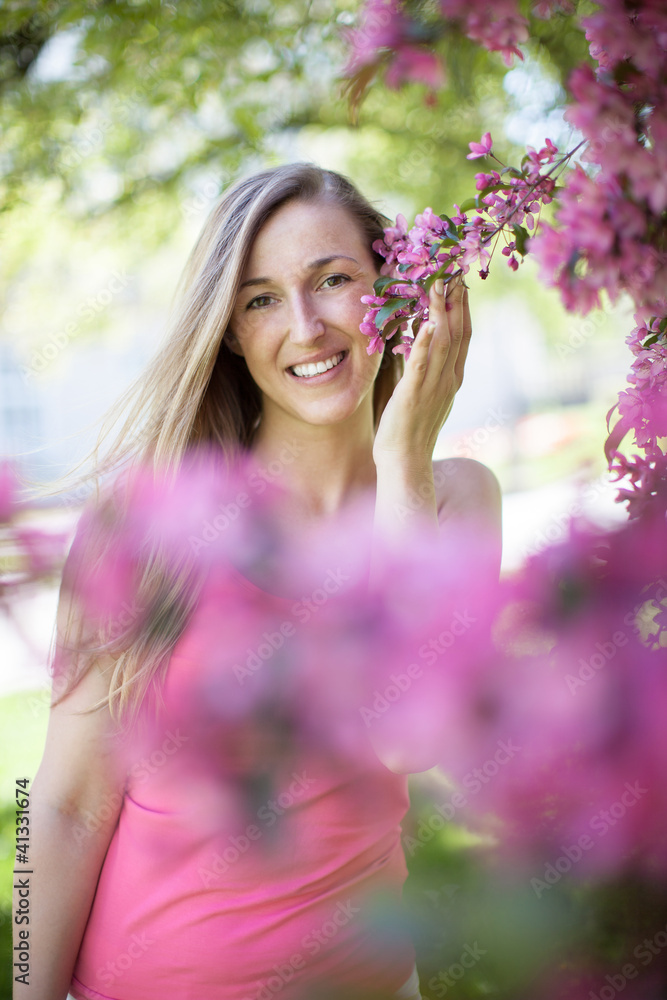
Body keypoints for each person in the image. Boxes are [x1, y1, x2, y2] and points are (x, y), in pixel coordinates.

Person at [15, 163, 501, 1000]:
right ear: (232, 331)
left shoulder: (455, 499)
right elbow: (58, 807)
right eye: (261, 299)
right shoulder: (152, 523)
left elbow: (410, 735)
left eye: (334, 280)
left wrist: (400, 462)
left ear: (394, 291)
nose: (306, 327)